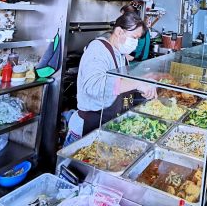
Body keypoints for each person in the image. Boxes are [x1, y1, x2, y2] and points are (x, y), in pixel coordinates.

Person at [66, 13, 156, 143]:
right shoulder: (97, 50)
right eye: (133, 37)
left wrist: (143, 85)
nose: (135, 43)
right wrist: (136, 83)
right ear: (119, 31)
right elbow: (94, 86)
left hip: (105, 124)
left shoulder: (119, 53)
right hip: (87, 127)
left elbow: (122, 84)